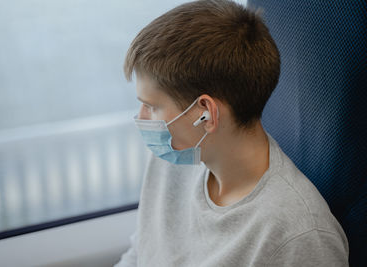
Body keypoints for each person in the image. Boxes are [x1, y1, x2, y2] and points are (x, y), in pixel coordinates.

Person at [115, 0, 349, 266]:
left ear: (206, 113)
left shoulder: (297, 236)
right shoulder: (175, 154)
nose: (141, 118)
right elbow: (140, 254)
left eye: (151, 106)